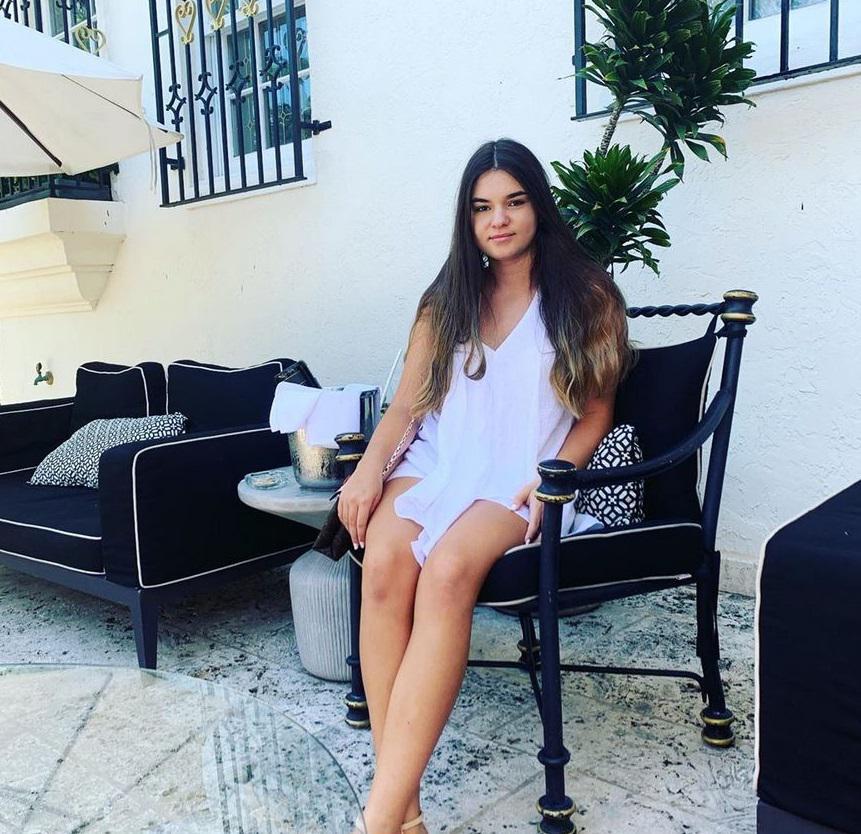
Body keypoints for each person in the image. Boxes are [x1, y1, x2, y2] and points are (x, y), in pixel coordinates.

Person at [338, 138, 632, 834]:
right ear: (466, 218)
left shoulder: (585, 293)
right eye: (481, 207)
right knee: (383, 565)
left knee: (446, 573)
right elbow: (407, 408)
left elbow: (595, 412)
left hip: (521, 472)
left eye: (513, 202)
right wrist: (367, 471)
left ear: (538, 206)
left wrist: (556, 477)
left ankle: (378, 818)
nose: (497, 220)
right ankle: (402, 809)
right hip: (440, 459)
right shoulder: (445, 301)